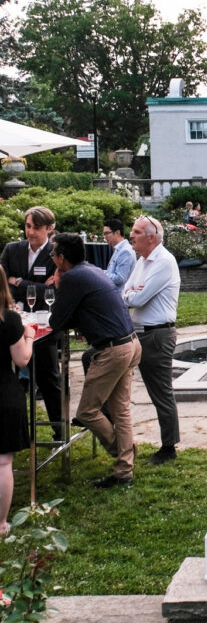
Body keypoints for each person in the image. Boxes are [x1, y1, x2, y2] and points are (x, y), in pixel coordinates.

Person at [49, 234, 141, 488]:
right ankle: (124, 471)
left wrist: (58, 286)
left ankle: (125, 452)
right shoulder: (90, 270)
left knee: (87, 412)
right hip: (130, 343)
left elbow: (56, 322)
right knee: (120, 410)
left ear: (61, 259)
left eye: (53, 255)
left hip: (113, 351)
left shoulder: (71, 278)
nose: (53, 259)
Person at [0, 205, 62, 440]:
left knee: (48, 379)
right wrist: (27, 285)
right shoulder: (12, 249)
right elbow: (2, 283)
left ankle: (58, 431)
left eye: (36, 227)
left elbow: (53, 290)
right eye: (28, 226)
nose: (31, 232)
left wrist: (20, 283)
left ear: (49, 228)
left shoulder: (56, 253)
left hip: (44, 325)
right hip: (13, 324)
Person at [123, 215, 181, 466]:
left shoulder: (164, 261)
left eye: (136, 232)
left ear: (151, 237)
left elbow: (136, 299)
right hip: (138, 333)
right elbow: (126, 291)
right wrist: (132, 293)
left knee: (161, 393)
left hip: (157, 335)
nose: (131, 235)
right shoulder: (142, 260)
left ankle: (169, 447)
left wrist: (132, 293)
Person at [0, 266, 34, 532]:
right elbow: (21, 359)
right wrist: (30, 337)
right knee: (3, 462)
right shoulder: (9, 320)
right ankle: (0, 524)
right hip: (4, 393)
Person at [103, 218, 136, 292]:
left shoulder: (125, 251)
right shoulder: (119, 248)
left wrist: (101, 273)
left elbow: (120, 278)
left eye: (107, 233)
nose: (105, 237)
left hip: (120, 297)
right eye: (104, 234)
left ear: (117, 233)